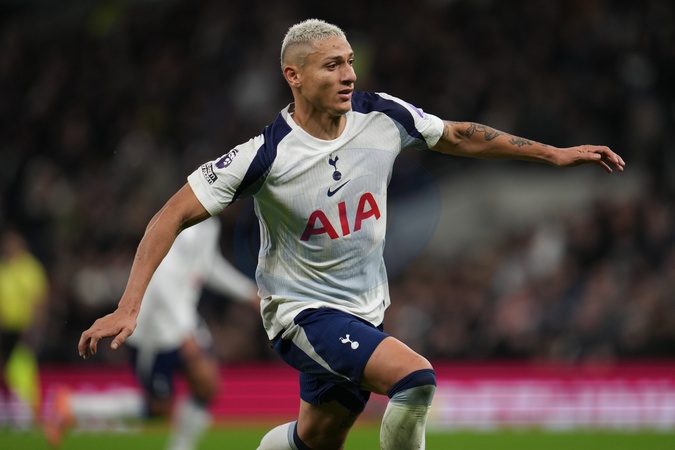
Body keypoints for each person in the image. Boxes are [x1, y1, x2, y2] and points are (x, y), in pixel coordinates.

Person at [78, 18, 625, 450]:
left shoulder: (382, 116)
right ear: (294, 76)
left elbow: (459, 135)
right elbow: (169, 215)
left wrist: (553, 153)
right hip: (301, 316)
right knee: (415, 380)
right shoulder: (265, 155)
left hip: (365, 311)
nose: (349, 75)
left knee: (315, 441)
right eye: (332, 65)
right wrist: (130, 305)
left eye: (350, 62)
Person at [47, 216, 258, 449]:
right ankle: (73, 407)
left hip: (184, 321)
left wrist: (247, 292)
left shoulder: (209, 224)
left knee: (207, 385)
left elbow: (207, 265)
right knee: (158, 407)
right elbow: (161, 275)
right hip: (154, 333)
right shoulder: (186, 223)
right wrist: (185, 331)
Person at [0, 228, 49, 430]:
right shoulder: (4, 269)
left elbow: (39, 301)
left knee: (23, 368)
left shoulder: (30, 268)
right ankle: (12, 411)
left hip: (25, 328)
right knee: (8, 370)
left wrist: (34, 328)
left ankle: (29, 412)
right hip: (6, 328)